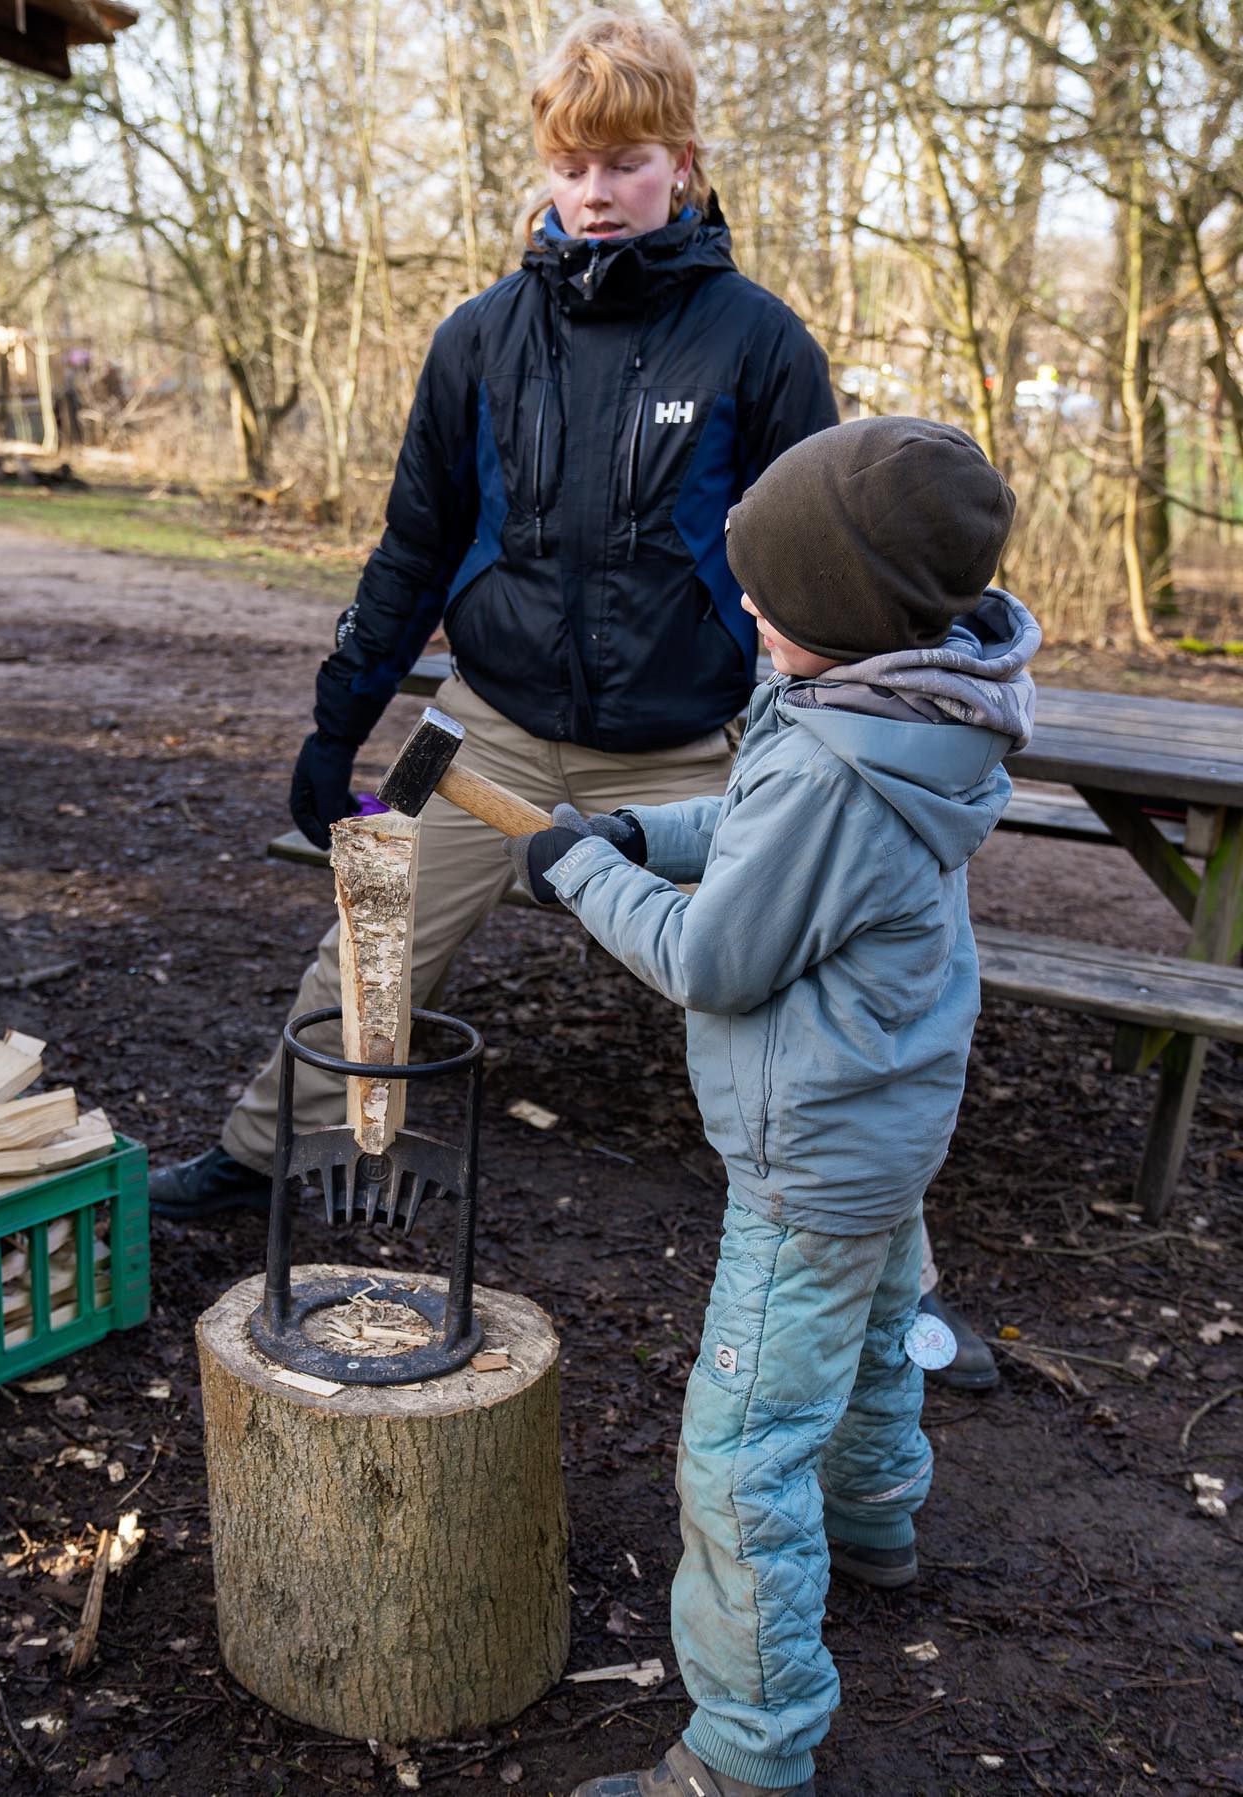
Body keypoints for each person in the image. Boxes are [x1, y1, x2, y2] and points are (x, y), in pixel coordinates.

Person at [149, 7, 998, 1391]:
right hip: (492, 734)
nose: (596, 194)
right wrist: (335, 719)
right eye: (572, 164)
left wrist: (823, 737)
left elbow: (825, 575)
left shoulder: (759, 341)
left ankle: (894, 1288)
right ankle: (261, 1154)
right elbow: (413, 544)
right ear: (544, 168)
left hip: (696, 749)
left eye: (627, 161)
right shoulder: (480, 340)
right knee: (366, 953)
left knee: (812, 1014)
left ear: (684, 162)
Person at [500, 416, 1039, 1797]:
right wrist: (633, 832)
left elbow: (711, 955)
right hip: (889, 1118)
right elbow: (754, 825)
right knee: (869, 1345)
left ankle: (746, 1752)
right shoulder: (900, 706)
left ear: (845, 612)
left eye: (772, 589)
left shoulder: (836, 759)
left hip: (811, 1158)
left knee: (738, 1461)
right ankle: (876, 1524)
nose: (746, 601)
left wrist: (575, 873)